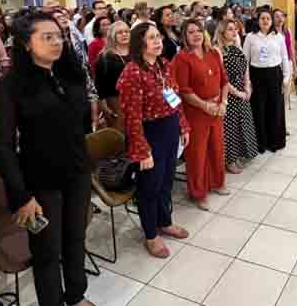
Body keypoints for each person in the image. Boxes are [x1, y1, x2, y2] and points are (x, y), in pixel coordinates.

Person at [0, 12, 94, 306]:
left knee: (75, 240)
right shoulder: (9, 86)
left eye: (58, 35)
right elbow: (4, 146)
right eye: (46, 37)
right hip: (40, 180)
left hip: (77, 171)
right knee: (47, 251)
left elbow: (80, 125)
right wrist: (21, 195)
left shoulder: (69, 74)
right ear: (25, 43)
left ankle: (76, 296)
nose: (56, 42)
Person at [117, 23, 190, 258]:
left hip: (169, 129)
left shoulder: (163, 65)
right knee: (149, 187)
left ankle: (164, 222)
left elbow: (174, 97)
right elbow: (131, 117)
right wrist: (142, 150)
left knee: (166, 181)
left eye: (158, 36)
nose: (158, 41)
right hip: (149, 134)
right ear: (140, 43)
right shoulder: (132, 72)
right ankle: (151, 234)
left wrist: (183, 125)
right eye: (151, 38)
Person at [172, 18, 230, 211]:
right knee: (197, 153)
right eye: (190, 32)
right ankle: (198, 192)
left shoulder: (213, 53)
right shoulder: (182, 58)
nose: (196, 34)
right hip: (196, 112)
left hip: (216, 109)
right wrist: (205, 105)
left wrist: (223, 102)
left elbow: (224, 81)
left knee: (217, 147)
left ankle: (217, 182)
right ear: (184, 37)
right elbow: (184, 90)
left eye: (198, 30)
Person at [244, 9, 291, 154]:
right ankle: (260, 143)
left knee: (275, 108)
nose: (265, 21)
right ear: (258, 20)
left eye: (268, 19)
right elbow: (245, 60)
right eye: (262, 18)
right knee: (259, 109)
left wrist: (286, 76)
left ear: (271, 22)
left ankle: (275, 141)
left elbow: (284, 57)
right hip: (257, 75)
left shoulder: (279, 37)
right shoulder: (251, 37)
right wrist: (247, 80)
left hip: (274, 74)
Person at [215, 20, 258, 174]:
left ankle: (239, 155)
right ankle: (229, 160)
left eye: (236, 30)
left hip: (243, 91)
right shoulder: (218, 51)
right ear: (221, 32)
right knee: (230, 128)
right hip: (229, 94)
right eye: (230, 29)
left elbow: (245, 69)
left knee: (242, 125)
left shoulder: (237, 47)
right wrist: (238, 92)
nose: (234, 33)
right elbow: (222, 78)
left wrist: (248, 86)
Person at [95, 21, 131, 132]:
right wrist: (104, 107)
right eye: (120, 32)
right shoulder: (105, 57)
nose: (124, 34)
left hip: (137, 99)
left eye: (126, 31)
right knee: (121, 137)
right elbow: (99, 86)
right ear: (112, 36)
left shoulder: (137, 52)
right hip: (116, 102)